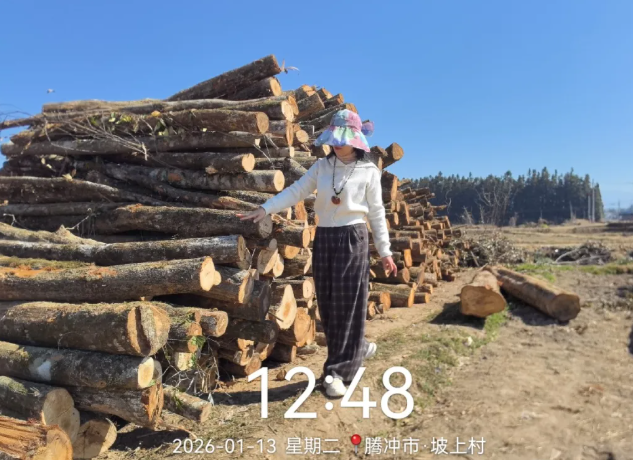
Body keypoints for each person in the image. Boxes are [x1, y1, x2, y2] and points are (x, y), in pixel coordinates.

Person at [239, 109, 397, 397]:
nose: (336, 144)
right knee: (328, 304)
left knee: (346, 305)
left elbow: (376, 213)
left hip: (353, 238)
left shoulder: (369, 171)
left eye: (342, 139)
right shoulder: (322, 167)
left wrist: (385, 252)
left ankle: (337, 372)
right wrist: (265, 208)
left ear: (356, 140)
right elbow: (296, 191)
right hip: (324, 238)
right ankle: (357, 346)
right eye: (334, 139)